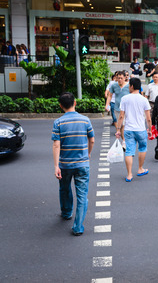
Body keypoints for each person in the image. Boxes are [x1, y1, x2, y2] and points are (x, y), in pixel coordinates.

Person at [52, 92, 95, 236]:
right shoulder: (85, 120)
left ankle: (66, 212)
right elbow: (92, 140)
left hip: (65, 164)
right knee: (82, 195)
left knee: (64, 189)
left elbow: (56, 145)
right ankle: (78, 227)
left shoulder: (58, 122)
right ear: (75, 103)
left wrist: (56, 165)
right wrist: (88, 153)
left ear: (60, 106)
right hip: (82, 164)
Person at [116, 78, 152, 182]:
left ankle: (129, 174)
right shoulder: (144, 99)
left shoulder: (125, 98)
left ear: (131, 86)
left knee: (129, 151)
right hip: (140, 129)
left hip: (128, 129)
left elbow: (121, 116)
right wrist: (149, 129)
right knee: (142, 148)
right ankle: (140, 169)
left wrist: (118, 129)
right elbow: (148, 118)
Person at [105, 71, 130, 149]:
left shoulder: (129, 86)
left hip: (127, 109)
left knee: (124, 125)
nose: (119, 80)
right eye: (118, 78)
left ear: (125, 78)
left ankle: (125, 141)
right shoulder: (114, 85)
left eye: (121, 78)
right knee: (122, 125)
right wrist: (107, 104)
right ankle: (124, 141)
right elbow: (110, 96)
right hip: (117, 109)